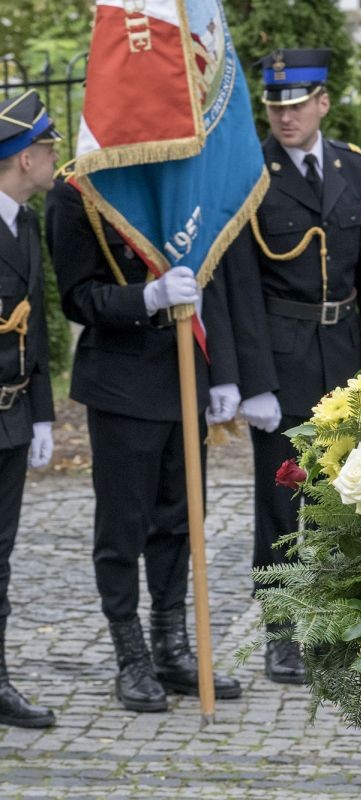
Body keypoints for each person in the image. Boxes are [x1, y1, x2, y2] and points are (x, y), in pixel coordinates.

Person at [46, 184, 244, 712]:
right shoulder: (79, 192)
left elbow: (213, 282)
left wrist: (223, 371)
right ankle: (131, 656)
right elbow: (77, 295)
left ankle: (170, 647)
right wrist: (146, 298)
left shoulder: (181, 181)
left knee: (180, 521)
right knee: (122, 528)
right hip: (121, 384)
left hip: (184, 375)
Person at [230, 47, 361, 684]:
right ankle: (280, 631)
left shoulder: (354, 165)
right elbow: (242, 283)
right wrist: (255, 382)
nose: (285, 117)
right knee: (280, 503)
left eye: (296, 105)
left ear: (322, 103)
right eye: (275, 107)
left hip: (342, 354)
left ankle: (328, 623)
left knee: (342, 501)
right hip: (282, 355)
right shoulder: (253, 172)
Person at [0, 91, 59, 728]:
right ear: (23, 158)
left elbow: (32, 326)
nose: (52, 161)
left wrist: (41, 412)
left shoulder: (24, 221)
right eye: (47, 149)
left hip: (12, 416)